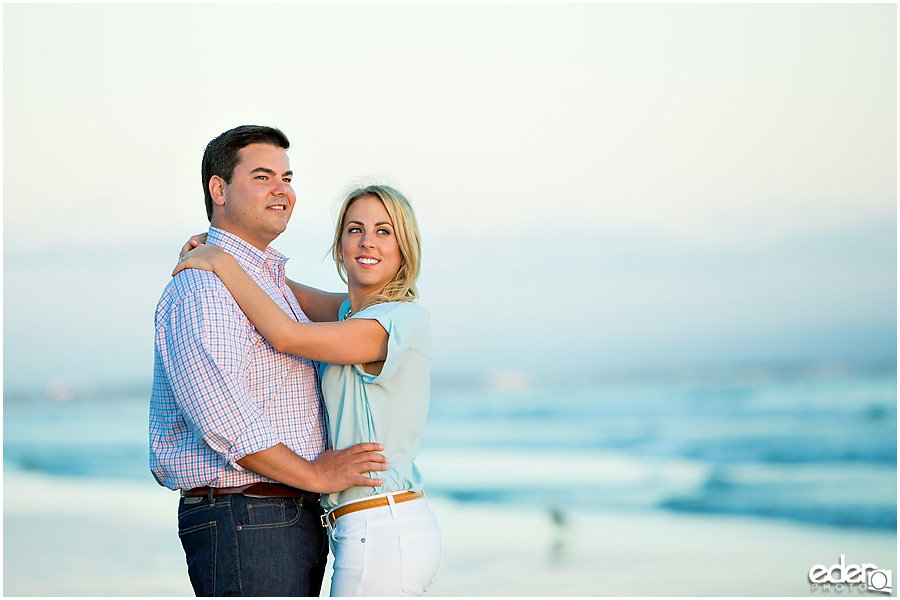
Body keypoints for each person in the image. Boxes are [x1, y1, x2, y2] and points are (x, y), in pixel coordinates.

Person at [150, 125, 390, 597]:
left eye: (287, 176)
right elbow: (223, 417)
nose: (283, 189)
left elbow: (365, 313)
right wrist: (315, 474)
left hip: (277, 515)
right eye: (263, 176)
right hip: (246, 514)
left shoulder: (262, 283)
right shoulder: (203, 287)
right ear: (218, 189)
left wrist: (227, 259)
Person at [175, 184, 442, 596]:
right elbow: (282, 293)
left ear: (405, 247)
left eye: (384, 231)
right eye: (355, 229)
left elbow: (285, 334)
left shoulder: (396, 322)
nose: (367, 241)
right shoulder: (349, 313)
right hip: (370, 527)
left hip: (383, 528)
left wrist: (220, 262)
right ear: (339, 246)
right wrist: (216, 245)